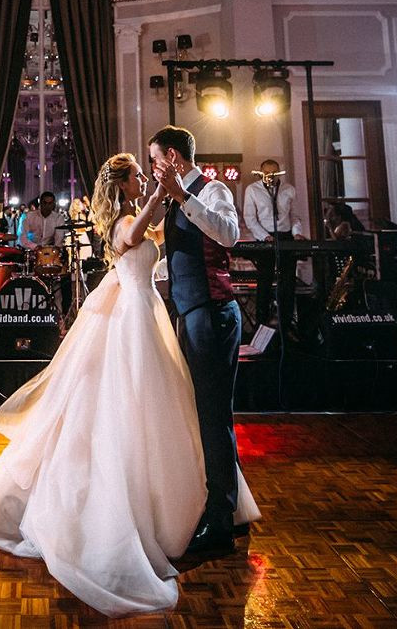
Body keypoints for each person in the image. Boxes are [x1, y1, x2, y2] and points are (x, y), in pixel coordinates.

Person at [0, 152, 259, 616]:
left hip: (147, 314)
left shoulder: (138, 212)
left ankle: (199, 502)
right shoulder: (124, 220)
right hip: (131, 322)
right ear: (122, 185)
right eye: (137, 175)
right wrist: (162, 192)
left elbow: (163, 230)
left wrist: (172, 198)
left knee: (164, 407)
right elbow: (138, 233)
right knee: (129, 405)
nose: (143, 177)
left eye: (146, 172)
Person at [149, 125, 248, 554]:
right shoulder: (175, 200)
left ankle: (222, 521)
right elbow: (182, 256)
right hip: (191, 313)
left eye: (155, 160)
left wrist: (183, 198)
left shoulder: (211, 191)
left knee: (213, 414)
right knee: (205, 412)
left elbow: (229, 235)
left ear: (172, 157)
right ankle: (231, 507)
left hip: (214, 314)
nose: (153, 168)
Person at [242, 160, 302, 328]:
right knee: (265, 281)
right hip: (265, 238)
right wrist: (264, 236)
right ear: (261, 173)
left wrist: (297, 234)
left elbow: (295, 216)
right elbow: (250, 218)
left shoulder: (289, 190)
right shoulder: (252, 190)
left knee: (288, 282)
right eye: (267, 173)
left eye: (274, 173)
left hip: (286, 237)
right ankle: (262, 324)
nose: (270, 176)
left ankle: (287, 323)